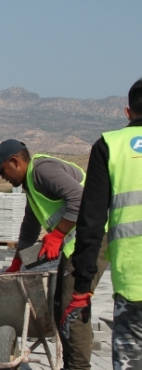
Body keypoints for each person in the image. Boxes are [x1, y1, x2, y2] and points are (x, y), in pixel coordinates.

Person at [0, 139, 108, 370]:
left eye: (2, 171)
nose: (3, 178)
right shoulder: (31, 184)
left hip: (94, 239)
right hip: (76, 244)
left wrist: (56, 235)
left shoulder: (42, 170)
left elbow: (80, 198)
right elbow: (30, 227)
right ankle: (70, 364)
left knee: (72, 307)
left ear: (15, 162)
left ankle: (78, 368)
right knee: (59, 305)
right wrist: (17, 263)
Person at [64, 78, 142, 370]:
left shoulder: (110, 146)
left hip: (133, 285)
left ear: (127, 112)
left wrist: (82, 287)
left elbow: (92, 222)